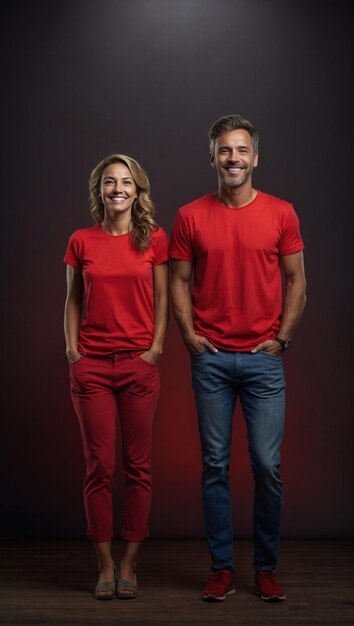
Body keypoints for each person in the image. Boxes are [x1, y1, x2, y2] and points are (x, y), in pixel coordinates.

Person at [169, 114, 306, 603]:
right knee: (214, 465)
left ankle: (265, 570)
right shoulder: (189, 215)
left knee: (267, 466)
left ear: (255, 158)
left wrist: (283, 337)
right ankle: (222, 569)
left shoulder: (282, 212)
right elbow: (178, 282)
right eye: (225, 150)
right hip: (211, 361)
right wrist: (188, 334)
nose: (233, 159)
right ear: (212, 157)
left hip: (264, 360)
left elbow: (296, 279)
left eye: (241, 150)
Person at [63, 154, 169, 600]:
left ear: (137, 190)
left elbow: (164, 298)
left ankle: (130, 562)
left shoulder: (155, 239)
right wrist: (72, 351)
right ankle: (105, 565)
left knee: (138, 467)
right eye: (110, 182)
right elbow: (71, 301)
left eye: (126, 182)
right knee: (99, 467)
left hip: (137, 366)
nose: (118, 189)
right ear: (99, 191)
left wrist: (155, 349)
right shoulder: (80, 240)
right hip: (91, 367)